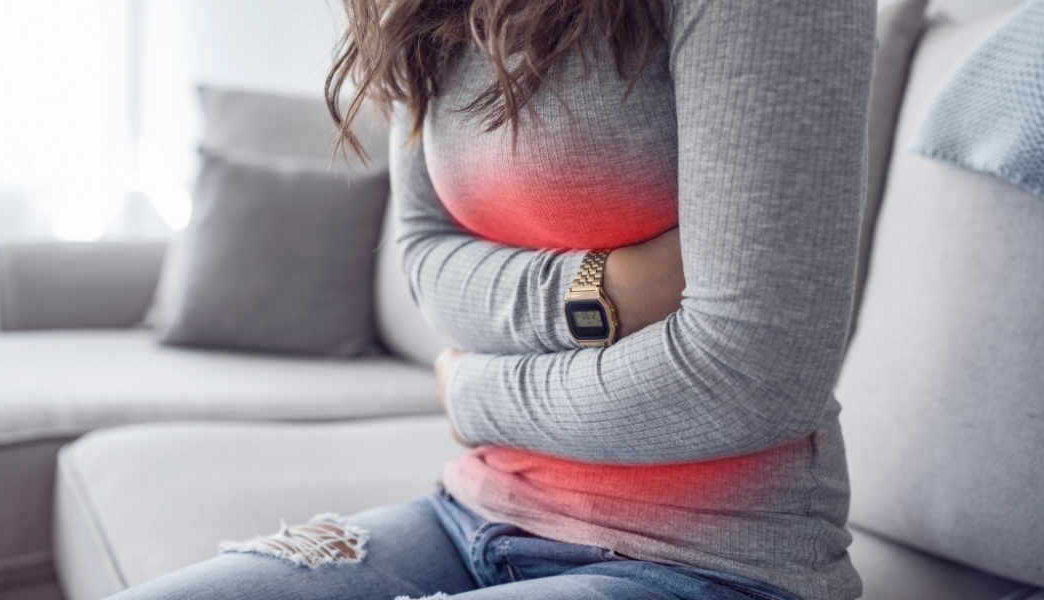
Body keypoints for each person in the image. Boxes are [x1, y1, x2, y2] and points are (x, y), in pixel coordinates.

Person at [106, 0, 875, 598]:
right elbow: (425, 260)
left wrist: (470, 392)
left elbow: (749, 380)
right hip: (473, 510)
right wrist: (606, 291)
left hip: (711, 562)